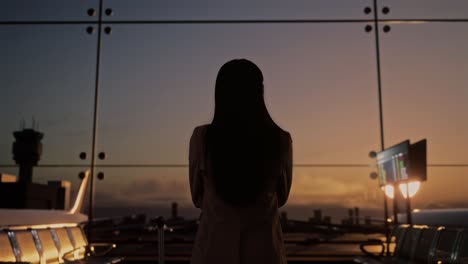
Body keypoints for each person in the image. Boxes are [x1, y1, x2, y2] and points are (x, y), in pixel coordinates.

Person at [189, 59, 293, 264]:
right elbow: (281, 196)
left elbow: (197, 197)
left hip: (213, 251)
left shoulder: (202, 138)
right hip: (265, 252)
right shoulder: (280, 139)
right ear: (259, 92)